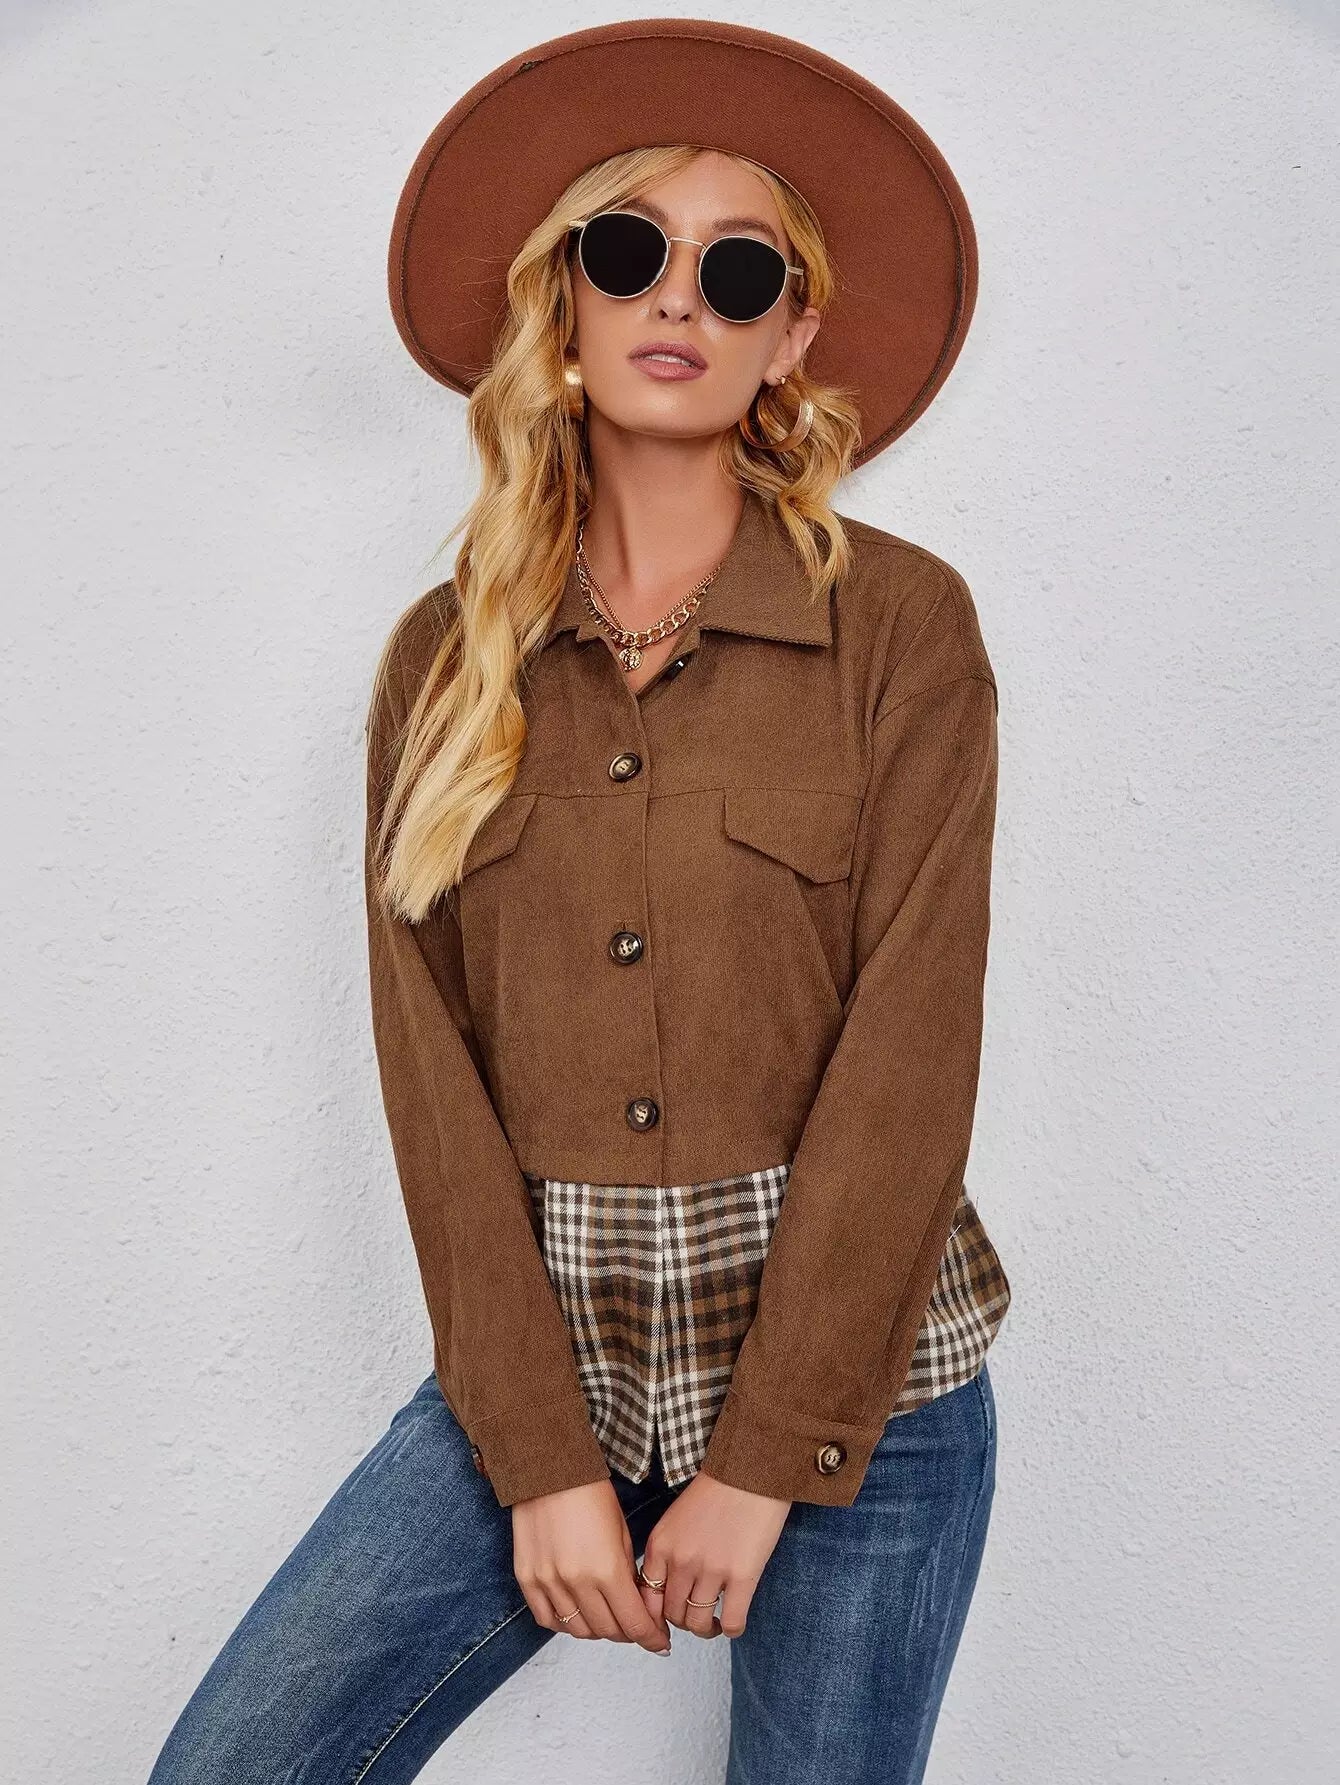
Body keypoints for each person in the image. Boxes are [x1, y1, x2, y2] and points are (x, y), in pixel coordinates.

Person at [146, 20, 1011, 1784]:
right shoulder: (444, 657)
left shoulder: (901, 628)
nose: (678, 294)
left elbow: (912, 1051)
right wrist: (542, 1459)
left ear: (789, 338)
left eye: (738, 269)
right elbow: (429, 1070)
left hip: (864, 1386)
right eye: (629, 251)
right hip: (548, 1364)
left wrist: (769, 1451)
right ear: (566, 298)